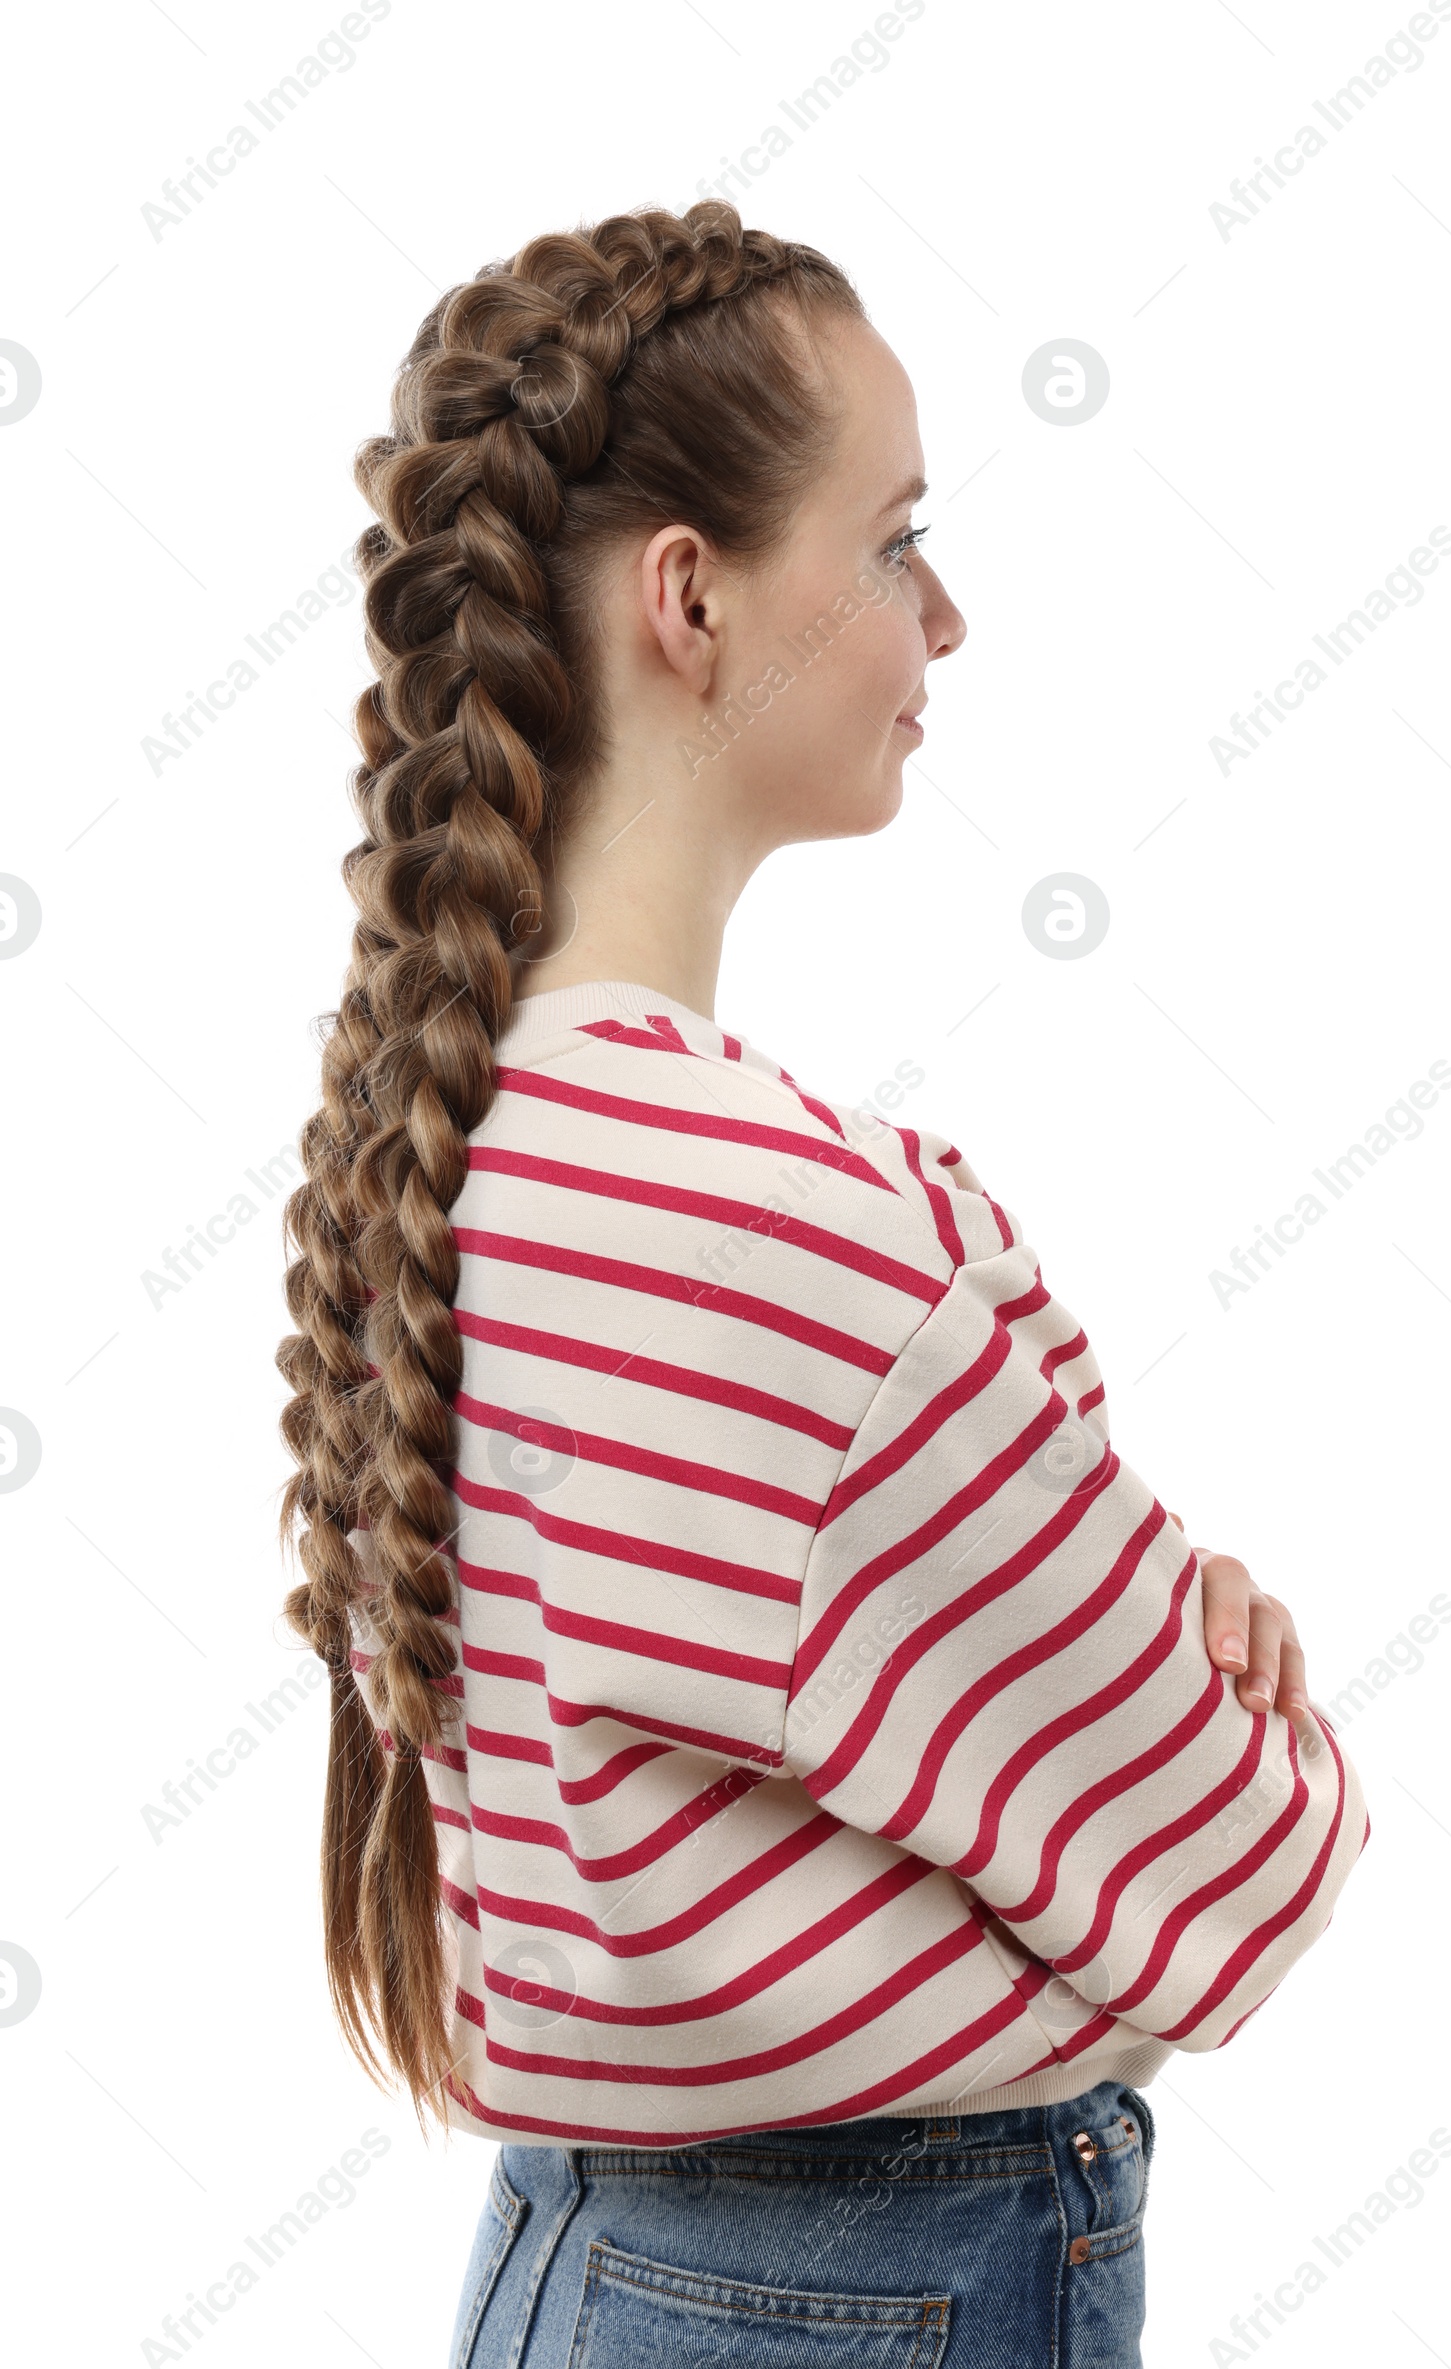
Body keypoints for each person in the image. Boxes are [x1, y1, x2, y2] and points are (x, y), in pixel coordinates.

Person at [275, 199, 1368, 2368]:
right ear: (686, 600)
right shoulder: (793, 1238)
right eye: (889, 542)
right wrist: (1175, 1704)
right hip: (856, 2295)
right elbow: (1248, 1867)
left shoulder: (461, 1148)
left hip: (579, 2266)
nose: (941, 618)